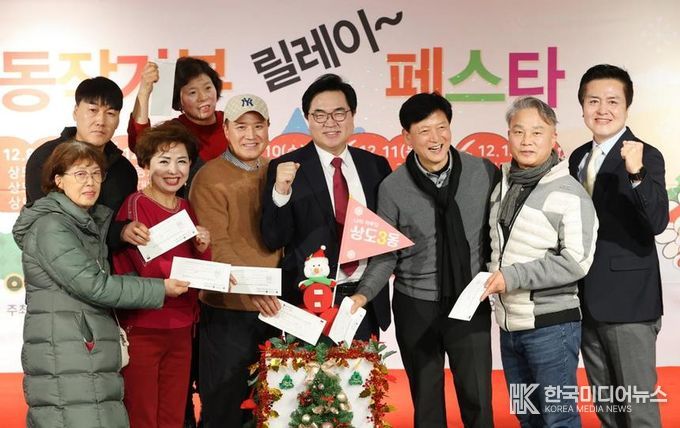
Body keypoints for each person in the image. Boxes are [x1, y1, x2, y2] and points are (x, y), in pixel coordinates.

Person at [12, 141, 189, 428]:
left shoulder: (86, 223)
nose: (90, 182)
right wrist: (160, 288)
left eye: (96, 174)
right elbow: (95, 286)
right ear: (58, 180)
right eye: (80, 174)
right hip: (67, 352)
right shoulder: (52, 227)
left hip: (85, 348)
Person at [350, 92, 499, 428]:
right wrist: (363, 294)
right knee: (427, 403)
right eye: (424, 131)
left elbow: (500, 233)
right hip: (415, 306)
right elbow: (386, 254)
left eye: (442, 127)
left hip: (469, 301)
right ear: (407, 137)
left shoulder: (482, 171)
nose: (436, 138)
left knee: (478, 399)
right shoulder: (393, 187)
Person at [481, 97, 598, 428]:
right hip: (510, 327)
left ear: (553, 137)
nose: (527, 141)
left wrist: (511, 276)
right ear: (508, 136)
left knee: (559, 418)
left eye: (537, 132)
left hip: (552, 327)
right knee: (527, 416)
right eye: (518, 131)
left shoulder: (570, 193)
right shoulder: (503, 186)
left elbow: (576, 262)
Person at [569, 64, 669, 427]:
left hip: (629, 303)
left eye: (613, 101)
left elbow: (657, 222)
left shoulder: (646, 155)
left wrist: (636, 173)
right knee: (607, 408)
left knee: (637, 409)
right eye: (593, 101)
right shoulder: (577, 157)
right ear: (582, 106)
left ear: (627, 106)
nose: (602, 109)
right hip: (585, 301)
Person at [258, 73, 392, 340]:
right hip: (307, 302)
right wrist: (281, 191)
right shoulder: (286, 167)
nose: (330, 122)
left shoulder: (375, 166)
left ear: (353, 115)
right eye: (319, 115)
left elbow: (387, 234)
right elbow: (274, 238)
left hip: (363, 300)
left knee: (362, 368)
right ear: (307, 119)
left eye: (339, 113)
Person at [112, 121, 212, 428]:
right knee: (142, 413)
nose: (173, 170)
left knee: (173, 413)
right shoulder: (135, 205)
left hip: (182, 326)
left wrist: (204, 247)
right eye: (164, 161)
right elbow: (138, 267)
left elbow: (197, 266)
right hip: (144, 326)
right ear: (146, 164)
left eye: (182, 161)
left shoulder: (186, 207)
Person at [189, 93, 281, 427]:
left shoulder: (277, 173)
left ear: (268, 128)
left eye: (258, 126)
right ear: (226, 130)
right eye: (241, 127)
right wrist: (253, 288)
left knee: (274, 409)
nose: (250, 135)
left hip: (275, 310)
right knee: (223, 409)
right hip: (227, 311)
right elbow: (216, 246)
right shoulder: (209, 176)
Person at [24, 76, 147, 250]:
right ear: (75, 111)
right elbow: (48, 225)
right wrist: (118, 231)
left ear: (118, 119)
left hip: (106, 264)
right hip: (55, 260)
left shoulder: (124, 171)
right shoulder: (45, 158)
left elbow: (122, 226)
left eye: (110, 113)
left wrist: (125, 231)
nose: (100, 121)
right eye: (92, 110)